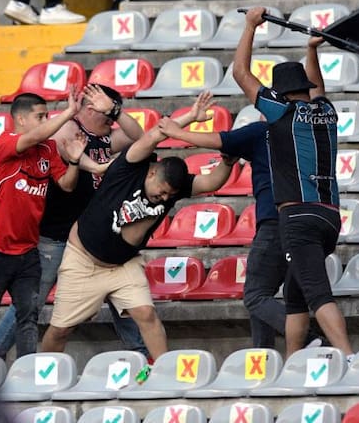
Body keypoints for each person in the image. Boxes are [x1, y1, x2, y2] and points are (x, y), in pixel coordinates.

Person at [40, 93, 236, 360]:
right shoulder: (129, 166)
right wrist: (189, 117)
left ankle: (163, 373)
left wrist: (226, 162)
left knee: (146, 314)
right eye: (162, 192)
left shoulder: (174, 187)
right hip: (83, 260)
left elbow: (211, 183)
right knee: (61, 330)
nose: (165, 198)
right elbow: (155, 134)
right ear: (153, 172)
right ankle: (42, 373)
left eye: (169, 195)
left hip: (123, 265)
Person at [0, 84, 149, 358]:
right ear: (89, 107)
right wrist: (97, 166)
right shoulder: (69, 128)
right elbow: (68, 150)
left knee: (122, 297)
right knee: (31, 302)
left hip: (93, 237)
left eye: (111, 111)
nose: (109, 118)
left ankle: (141, 354)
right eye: (103, 109)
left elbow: (139, 137)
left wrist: (116, 111)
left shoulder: (107, 139)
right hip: (56, 236)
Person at [233, 6, 353, 359]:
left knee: (316, 294)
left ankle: (349, 357)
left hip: (297, 217)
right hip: (330, 217)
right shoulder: (326, 112)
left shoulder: (281, 112)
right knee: (296, 298)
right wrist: (312, 50)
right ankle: (295, 361)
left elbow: (241, 73)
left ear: (281, 94)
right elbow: (319, 90)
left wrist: (250, 26)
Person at [158, 115, 325, 349]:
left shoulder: (261, 131)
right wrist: (231, 156)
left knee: (255, 296)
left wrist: (177, 132)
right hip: (309, 222)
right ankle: (262, 357)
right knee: (266, 294)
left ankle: (310, 340)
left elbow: (219, 140)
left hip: (275, 222)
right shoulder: (304, 133)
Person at [0, 90, 87, 357]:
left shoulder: (49, 149)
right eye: (40, 116)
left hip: (27, 251)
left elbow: (66, 184)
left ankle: (25, 372)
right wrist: (68, 113)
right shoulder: (5, 143)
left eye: (46, 116)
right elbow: (33, 137)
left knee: (28, 317)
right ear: (20, 118)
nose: (44, 121)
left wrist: (75, 160)